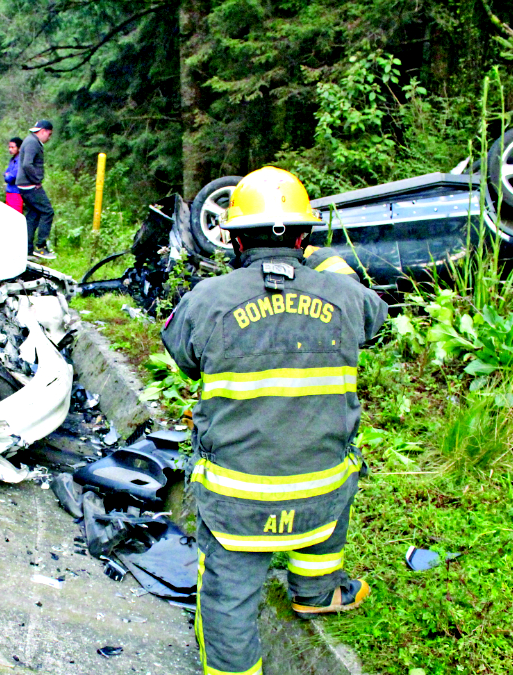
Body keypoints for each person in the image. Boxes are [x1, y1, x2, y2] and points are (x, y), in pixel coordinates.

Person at [161, 167, 387, 675]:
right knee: (332, 488)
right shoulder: (345, 295)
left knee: (227, 597)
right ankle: (318, 591)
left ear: (235, 239)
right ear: (305, 237)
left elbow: (181, 354)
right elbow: (376, 317)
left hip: (240, 499)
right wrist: (332, 269)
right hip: (321, 489)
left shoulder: (208, 299)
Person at [16, 120, 55, 259]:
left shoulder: (30, 140)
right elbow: (27, 164)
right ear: (43, 131)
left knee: (33, 215)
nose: (49, 138)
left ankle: (27, 249)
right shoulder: (33, 142)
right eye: (49, 134)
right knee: (47, 211)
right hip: (30, 185)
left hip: (24, 184)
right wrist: (36, 180)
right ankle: (41, 246)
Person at [4, 137, 23, 213]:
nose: (10, 149)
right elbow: (6, 174)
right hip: (10, 191)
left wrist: (7, 175)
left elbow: (10, 177)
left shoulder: (20, 161)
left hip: (16, 193)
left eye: (12, 147)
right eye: (9, 147)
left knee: (15, 215)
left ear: (19, 148)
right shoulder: (12, 160)